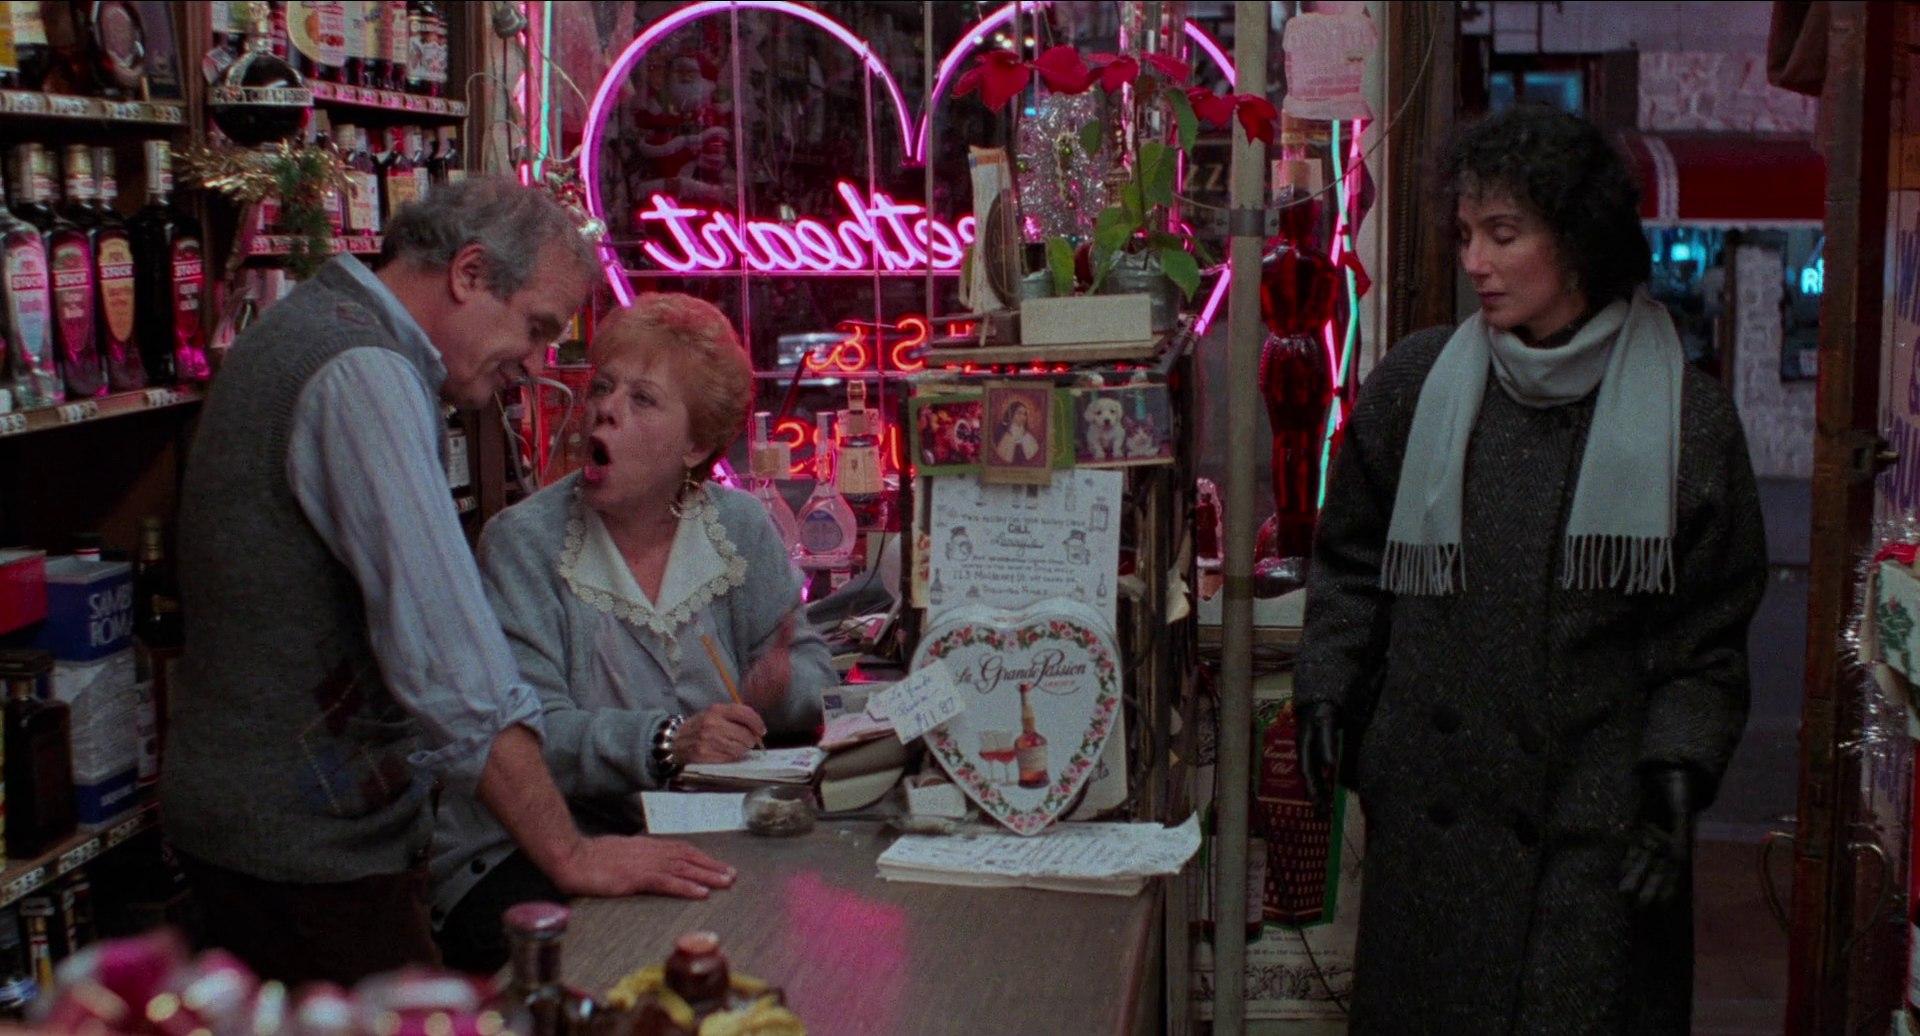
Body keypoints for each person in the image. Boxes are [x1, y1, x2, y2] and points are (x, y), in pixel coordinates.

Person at [162, 179, 735, 988]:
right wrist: (572, 855)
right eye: (535, 328)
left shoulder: (327, 332)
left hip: (270, 830)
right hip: (301, 852)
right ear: (469, 274)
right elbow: (453, 666)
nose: (533, 365)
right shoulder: (365, 373)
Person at [1294, 105, 1766, 1033]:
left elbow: (1706, 639)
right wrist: (1329, 688)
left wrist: (1678, 772)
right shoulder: (1418, 384)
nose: (1475, 261)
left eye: (1504, 234)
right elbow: (1350, 561)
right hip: (1432, 829)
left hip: (1592, 832)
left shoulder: (1686, 419)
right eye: (1466, 233)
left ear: (1579, 241)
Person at [431, 293, 831, 973]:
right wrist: (668, 740)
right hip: (530, 849)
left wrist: (780, 691)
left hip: (690, 830)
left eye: (643, 399)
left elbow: (813, 670)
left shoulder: (738, 528)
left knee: (781, 940)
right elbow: (529, 734)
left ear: (695, 445)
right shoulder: (524, 543)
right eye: (604, 388)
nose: (606, 410)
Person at [993, 398, 1040, 464]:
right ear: (1012, 414)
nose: (1023, 417)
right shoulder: (1004, 435)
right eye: (1019, 413)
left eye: (1025, 414)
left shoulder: (1028, 437)